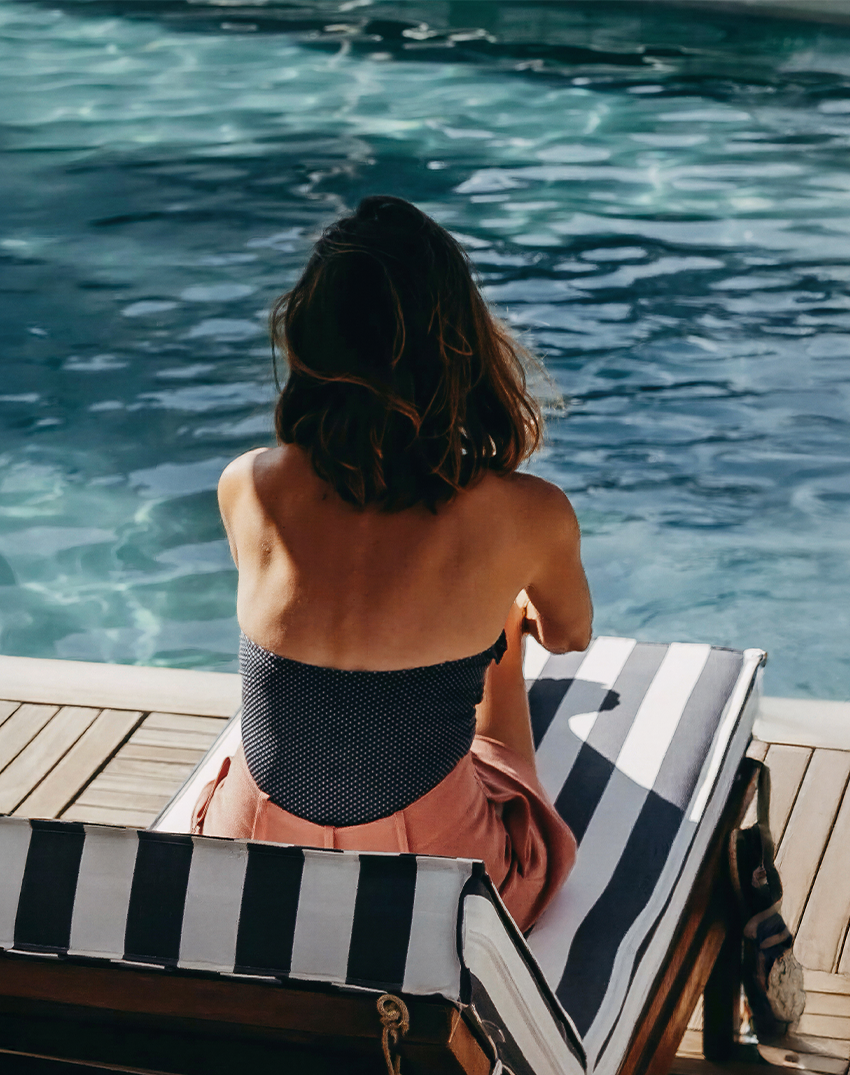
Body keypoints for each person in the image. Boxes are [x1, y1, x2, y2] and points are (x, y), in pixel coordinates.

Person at [195, 196, 592, 931]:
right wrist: (498, 615)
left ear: (310, 341)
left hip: (251, 864)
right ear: (463, 346)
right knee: (499, 631)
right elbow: (569, 636)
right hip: (431, 882)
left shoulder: (246, 483)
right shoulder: (528, 512)